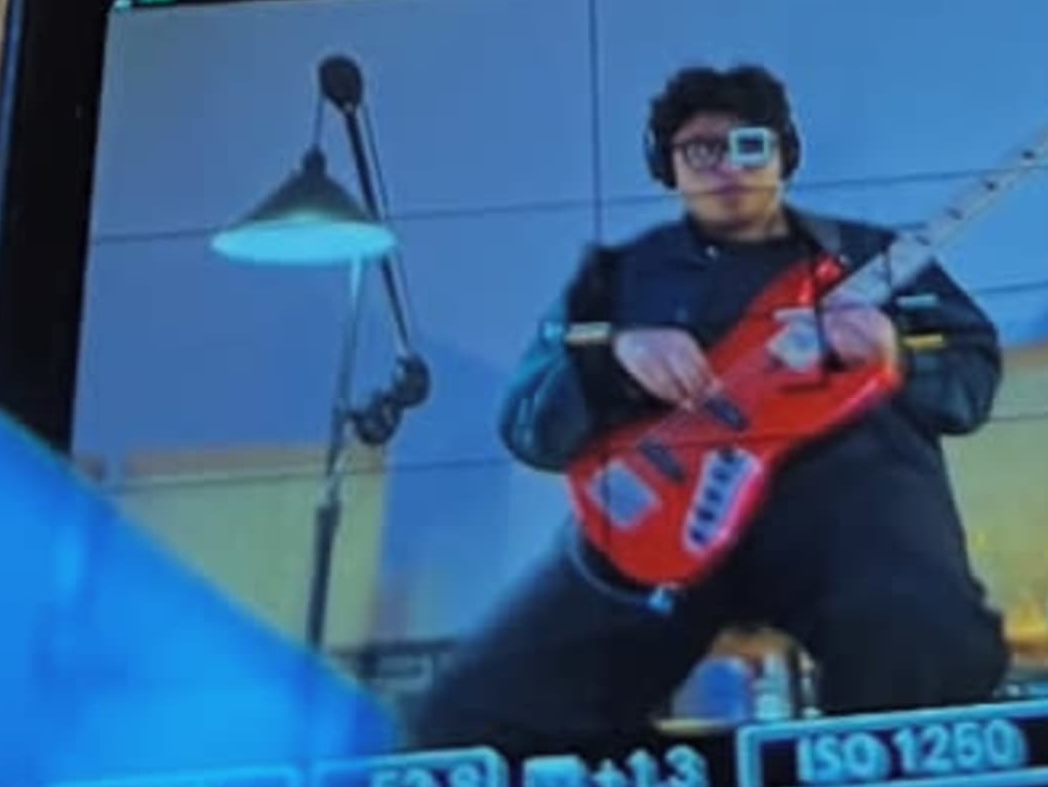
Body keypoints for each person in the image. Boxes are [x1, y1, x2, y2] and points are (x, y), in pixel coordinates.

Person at [409, 62, 1007, 751]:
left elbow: (971, 375)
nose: (728, 165)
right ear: (667, 166)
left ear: (785, 152)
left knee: (924, 647)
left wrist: (899, 356)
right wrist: (613, 359)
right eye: (700, 149)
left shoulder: (872, 256)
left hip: (855, 512)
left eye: (750, 144)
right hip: (658, 530)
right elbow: (527, 422)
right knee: (476, 713)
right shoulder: (617, 278)